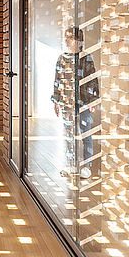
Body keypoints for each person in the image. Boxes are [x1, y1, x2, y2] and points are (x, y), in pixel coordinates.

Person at [51, 26, 99, 179]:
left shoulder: (86, 58)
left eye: (70, 37)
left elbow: (92, 80)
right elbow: (57, 81)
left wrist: (93, 101)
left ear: (78, 40)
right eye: (66, 37)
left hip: (83, 103)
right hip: (66, 103)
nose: (67, 40)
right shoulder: (61, 58)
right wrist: (56, 101)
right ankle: (70, 164)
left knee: (86, 134)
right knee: (69, 135)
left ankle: (87, 166)